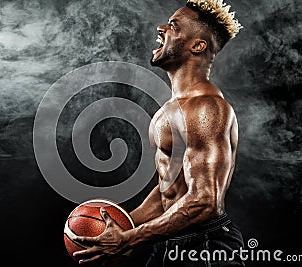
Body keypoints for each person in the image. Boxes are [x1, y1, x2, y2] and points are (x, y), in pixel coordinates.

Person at [73, 0, 245, 266]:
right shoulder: (170, 110)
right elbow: (170, 190)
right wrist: (122, 225)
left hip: (207, 245)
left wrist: (129, 239)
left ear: (197, 46)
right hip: (169, 241)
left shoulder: (206, 108)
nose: (161, 28)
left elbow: (205, 201)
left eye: (174, 26)